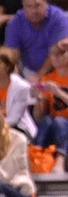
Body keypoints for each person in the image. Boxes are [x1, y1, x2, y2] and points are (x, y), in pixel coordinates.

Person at [4, 0, 68, 79]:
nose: (34, 11)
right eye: (29, 6)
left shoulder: (59, 18)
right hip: (28, 70)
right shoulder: (15, 22)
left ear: (45, 3)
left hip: (59, 69)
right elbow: (11, 54)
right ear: (23, 7)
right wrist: (16, 79)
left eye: (37, 5)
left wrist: (39, 76)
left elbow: (58, 51)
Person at [32, 36, 68, 172]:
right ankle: (36, 156)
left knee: (59, 121)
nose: (56, 58)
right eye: (53, 54)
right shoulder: (47, 78)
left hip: (64, 123)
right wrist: (39, 100)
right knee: (47, 120)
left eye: (61, 54)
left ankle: (60, 159)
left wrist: (58, 92)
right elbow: (38, 117)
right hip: (54, 125)